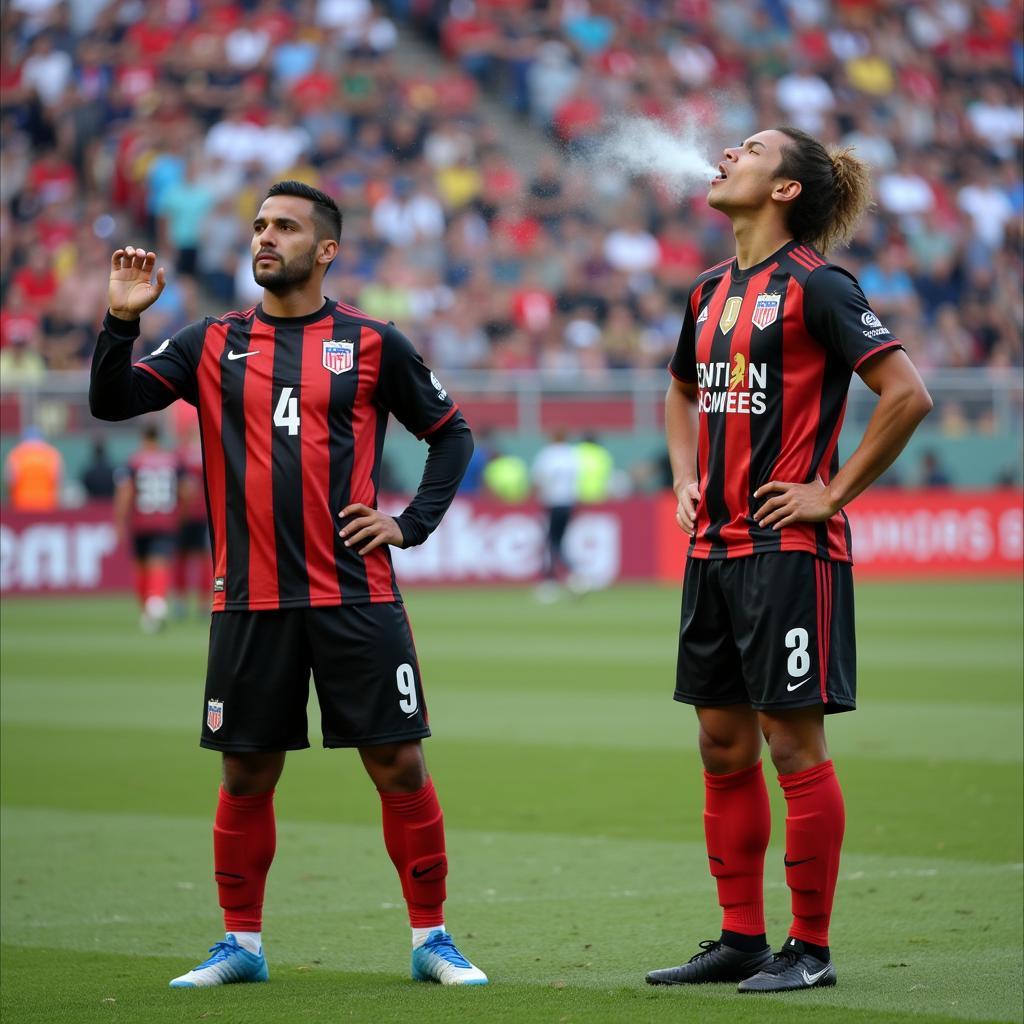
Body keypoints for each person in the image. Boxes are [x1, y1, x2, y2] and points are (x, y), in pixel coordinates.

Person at [89, 181, 486, 988]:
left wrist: (409, 526)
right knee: (245, 772)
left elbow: (452, 437)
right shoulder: (209, 342)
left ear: (326, 249)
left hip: (357, 595)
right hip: (249, 600)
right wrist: (121, 320)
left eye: (286, 227)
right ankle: (241, 944)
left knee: (399, 766)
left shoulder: (374, 341)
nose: (265, 237)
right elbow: (110, 401)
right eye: (260, 225)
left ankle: (433, 939)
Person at [647, 127, 932, 993]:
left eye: (750, 149)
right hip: (715, 548)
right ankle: (740, 939)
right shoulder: (706, 292)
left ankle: (809, 950)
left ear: (784, 191)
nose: (728, 155)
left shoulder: (820, 287)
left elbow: (907, 392)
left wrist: (831, 492)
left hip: (789, 550)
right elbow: (682, 392)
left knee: (790, 743)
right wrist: (685, 474)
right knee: (720, 741)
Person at [114, 421, 182, 633]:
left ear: (143, 437)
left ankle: (149, 608)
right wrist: (181, 513)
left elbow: (125, 493)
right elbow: (188, 490)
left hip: (140, 521)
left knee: (142, 566)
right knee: (159, 564)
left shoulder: (133, 462)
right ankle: (155, 604)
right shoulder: (172, 461)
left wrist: (120, 521)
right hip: (164, 519)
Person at [530, 427, 580, 601]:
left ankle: (557, 579)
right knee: (558, 540)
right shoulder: (572, 454)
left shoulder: (548, 454)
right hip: (569, 502)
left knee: (552, 541)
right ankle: (567, 577)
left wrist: (534, 493)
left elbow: (539, 478)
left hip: (552, 502)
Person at [173, 412, 211, 616]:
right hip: (206, 514)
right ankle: (204, 603)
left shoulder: (179, 454)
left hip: (184, 514)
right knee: (204, 558)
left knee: (181, 557)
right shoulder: (209, 451)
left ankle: (181, 601)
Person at [4, 426, 62, 511]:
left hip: (21, 504)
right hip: (47, 504)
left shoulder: (16, 454)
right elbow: (57, 478)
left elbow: (11, 480)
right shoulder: (51, 454)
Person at [80, 435, 117, 500]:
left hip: (94, 502)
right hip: (109, 502)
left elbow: (86, 486)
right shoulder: (112, 469)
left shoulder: (89, 471)